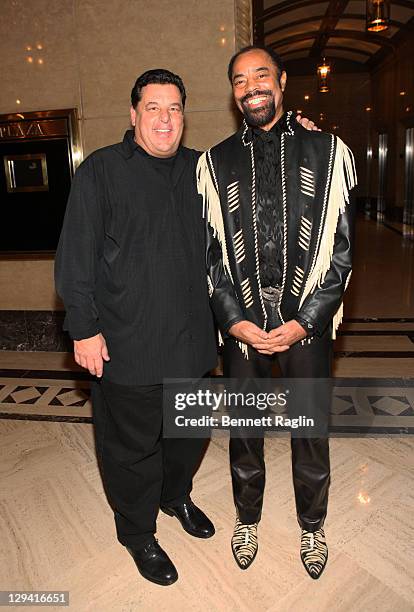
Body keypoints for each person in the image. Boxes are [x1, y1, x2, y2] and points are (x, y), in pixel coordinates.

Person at [197, 45, 356, 579]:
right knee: (245, 427)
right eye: (240, 80)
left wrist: (305, 321)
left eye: (261, 75)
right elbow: (212, 256)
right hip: (241, 324)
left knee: (309, 427)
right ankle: (248, 516)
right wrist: (233, 320)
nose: (251, 87)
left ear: (282, 81)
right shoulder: (214, 163)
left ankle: (312, 524)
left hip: (304, 323)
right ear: (233, 93)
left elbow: (340, 253)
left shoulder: (327, 150)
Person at [54, 69, 218, 587]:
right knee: (132, 450)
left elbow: (259, 179)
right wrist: (83, 329)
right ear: (133, 114)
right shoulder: (102, 170)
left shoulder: (202, 171)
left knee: (188, 436)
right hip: (129, 342)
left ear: (183, 116)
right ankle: (138, 531)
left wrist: (295, 132)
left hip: (194, 341)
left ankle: (175, 497)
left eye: (173, 108)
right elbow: (74, 257)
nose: (164, 118)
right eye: (153, 107)